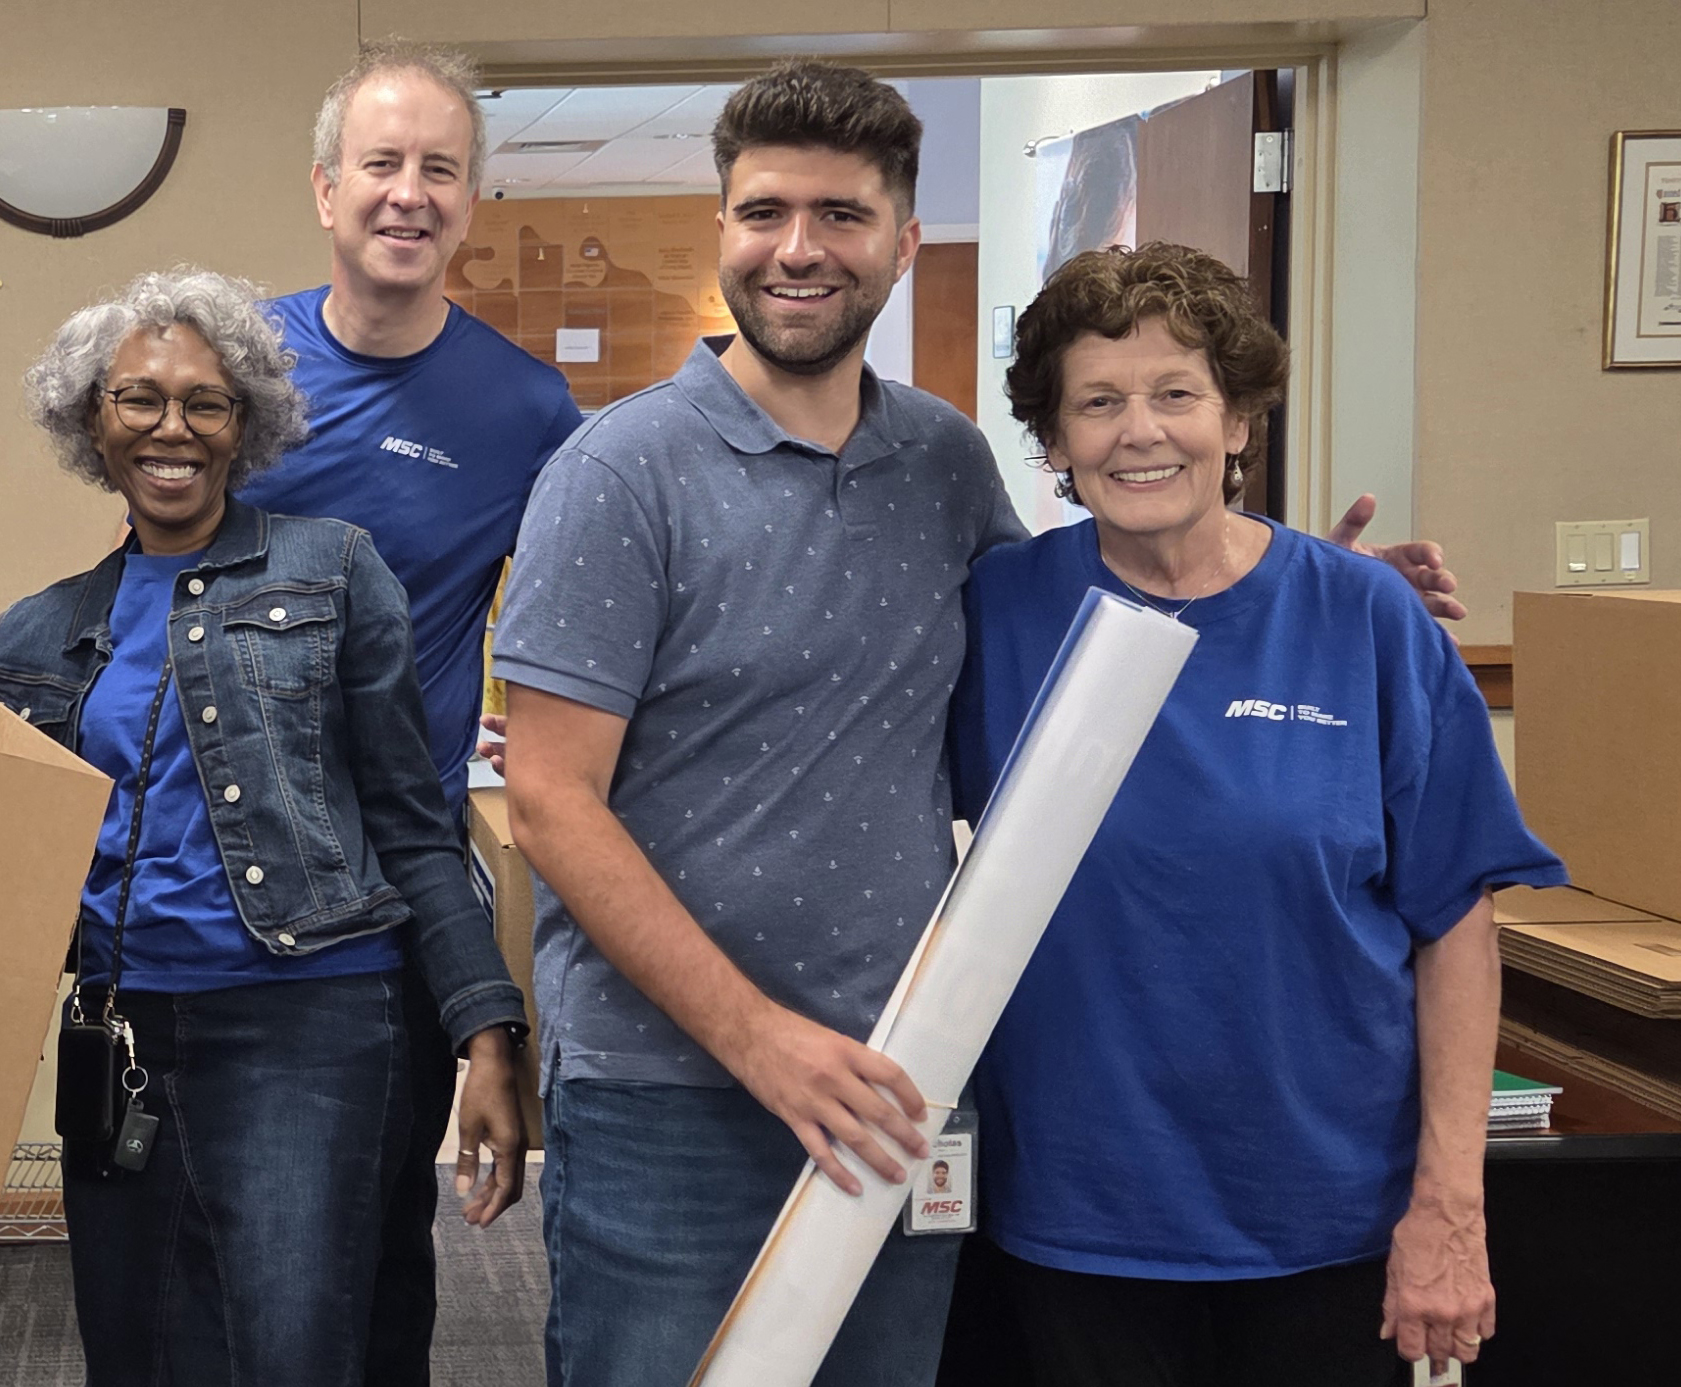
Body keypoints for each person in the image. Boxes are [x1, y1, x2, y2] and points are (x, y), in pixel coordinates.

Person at [496, 62, 1466, 1387]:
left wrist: (1315, 589)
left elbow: (1115, 631)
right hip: (681, 1095)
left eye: (839, 215)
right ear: (721, 229)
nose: (798, 248)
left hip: (908, 1083)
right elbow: (550, 799)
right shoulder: (617, 473)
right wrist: (762, 1038)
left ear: (900, 242)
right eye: (763, 211)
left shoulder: (942, 464)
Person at [950, 242, 1564, 1386]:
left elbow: (1452, 925)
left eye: (1176, 393)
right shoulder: (998, 614)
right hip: (1076, 1213)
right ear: (1054, 445)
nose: (1139, 431)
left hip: (1324, 1216)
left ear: (1236, 421)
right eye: (1096, 402)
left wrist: (1449, 1207)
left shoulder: (1365, 619)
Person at [0, 268, 528, 1387]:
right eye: (136, 397)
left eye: (205, 400)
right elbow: (6, 878)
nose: (170, 426)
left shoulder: (330, 570)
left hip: (309, 1026)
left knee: (293, 1354)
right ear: (92, 419)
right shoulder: (35, 635)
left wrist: (486, 1029)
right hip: (121, 1032)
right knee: (138, 1354)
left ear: (247, 423)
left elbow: (413, 825)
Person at [237, 41, 582, 1383]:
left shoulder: (526, 411)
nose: (407, 192)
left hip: (391, 879)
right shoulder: (232, 364)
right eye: (380, 164)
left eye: (440, 168)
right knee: (218, 1235)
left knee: (375, 1233)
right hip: (213, 865)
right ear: (327, 190)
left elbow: (564, 640)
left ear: (470, 206)